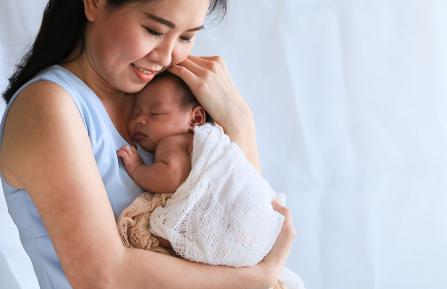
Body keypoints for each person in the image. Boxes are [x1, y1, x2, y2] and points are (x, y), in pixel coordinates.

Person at [0, 1, 296, 289]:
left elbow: (241, 223)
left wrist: (240, 122)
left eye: (186, 37)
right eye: (154, 30)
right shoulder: (48, 107)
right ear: (94, 3)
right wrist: (257, 280)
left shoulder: (163, 102)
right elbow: (104, 278)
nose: (166, 57)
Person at [116, 71, 285, 268]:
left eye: (155, 113)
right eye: (135, 113)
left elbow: (171, 177)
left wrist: (136, 168)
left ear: (195, 119)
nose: (140, 120)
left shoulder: (173, 142)